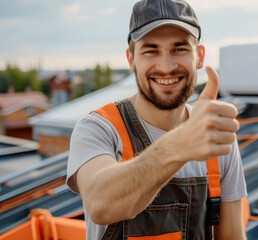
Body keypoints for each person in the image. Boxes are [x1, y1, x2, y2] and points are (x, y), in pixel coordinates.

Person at [66, 0, 247, 239]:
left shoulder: (215, 136)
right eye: (151, 50)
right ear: (131, 60)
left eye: (179, 49)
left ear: (199, 56)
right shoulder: (98, 128)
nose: (166, 67)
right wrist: (180, 144)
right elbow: (101, 205)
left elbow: (232, 235)